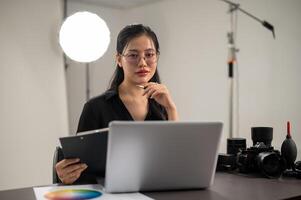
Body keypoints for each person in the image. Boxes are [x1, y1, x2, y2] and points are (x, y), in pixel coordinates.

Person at [55, 24, 179, 184]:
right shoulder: (95, 107)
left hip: (156, 190)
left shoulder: (162, 103)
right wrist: (65, 173)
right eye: (133, 55)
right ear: (119, 59)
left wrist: (171, 107)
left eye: (149, 54)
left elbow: (176, 160)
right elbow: (77, 167)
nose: (142, 62)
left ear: (157, 57)